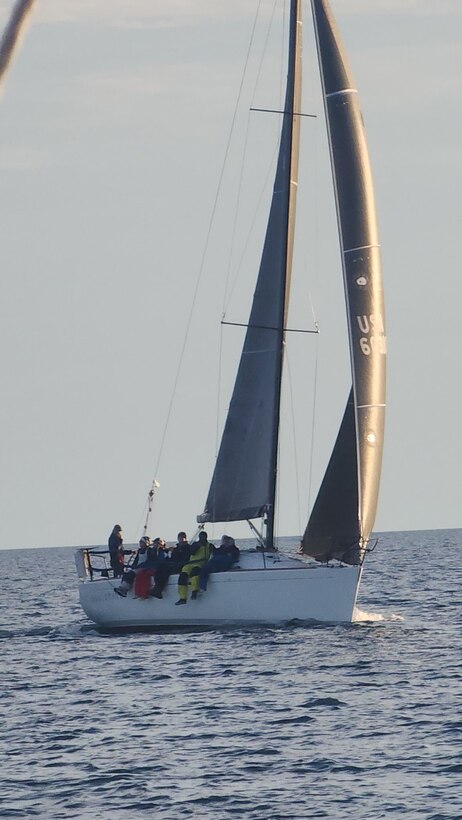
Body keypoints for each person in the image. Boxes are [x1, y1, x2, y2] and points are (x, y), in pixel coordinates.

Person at [176, 531, 212, 604]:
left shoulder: (209, 545)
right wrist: (197, 546)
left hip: (200, 563)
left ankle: (194, 591)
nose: (202, 538)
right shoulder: (195, 544)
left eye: (203, 537)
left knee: (194, 573)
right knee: (183, 575)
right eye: (201, 537)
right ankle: (182, 598)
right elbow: (192, 552)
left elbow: (215, 552)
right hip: (190, 563)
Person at [151, 531, 190, 599]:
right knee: (159, 569)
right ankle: (157, 588)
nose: (182, 539)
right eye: (180, 538)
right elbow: (172, 558)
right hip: (174, 564)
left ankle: (158, 589)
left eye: (183, 538)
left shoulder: (188, 548)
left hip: (181, 565)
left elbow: (185, 558)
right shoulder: (176, 549)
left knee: (165, 570)